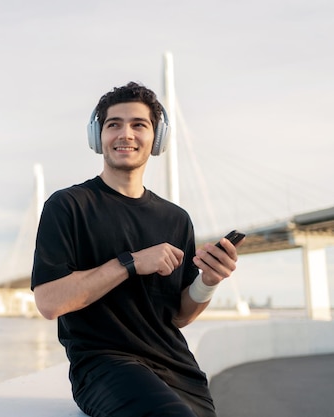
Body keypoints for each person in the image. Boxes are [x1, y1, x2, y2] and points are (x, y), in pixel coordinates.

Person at [31, 82, 244, 417]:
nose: (125, 134)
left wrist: (209, 281)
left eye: (138, 125)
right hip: (104, 367)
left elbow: (178, 316)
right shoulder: (68, 206)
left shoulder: (176, 219)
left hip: (177, 368)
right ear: (97, 136)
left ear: (157, 138)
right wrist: (130, 263)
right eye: (113, 124)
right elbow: (49, 302)